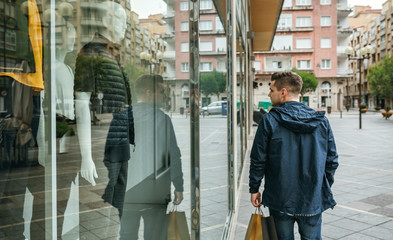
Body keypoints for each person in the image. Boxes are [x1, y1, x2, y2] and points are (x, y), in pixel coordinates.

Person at [249, 71, 339, 240]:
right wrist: (319, 186)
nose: (269, 94)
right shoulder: (321, 121)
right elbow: (332, 161)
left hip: (280, 199)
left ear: (283, 92)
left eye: (271, 89)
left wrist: (254, 188)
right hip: (312, 199)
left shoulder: (269, 120)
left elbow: (258, 160)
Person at [120, 74, 184, 240]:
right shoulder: (162, 119)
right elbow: (173, 156)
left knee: (127, 235)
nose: (165, 95)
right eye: (161, 91)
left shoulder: (122, 118)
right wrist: (178, 186)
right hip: (155, 193)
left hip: (128, 191)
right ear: (149, 93)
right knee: (155, 236)